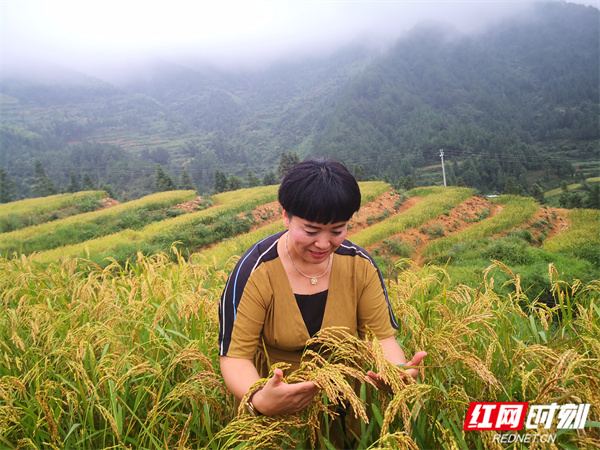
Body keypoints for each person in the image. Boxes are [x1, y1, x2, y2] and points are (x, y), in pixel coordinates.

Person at [218, 158, 426, 420]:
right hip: (276, 411)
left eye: (337, 230)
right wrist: (259, 399)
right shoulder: (254, 271)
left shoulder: (360, 266)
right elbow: (235, 356)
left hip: (348, 406)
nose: (323, 244)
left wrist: (397, 372)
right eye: (311, 230)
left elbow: (381, 338)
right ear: (285, 216)